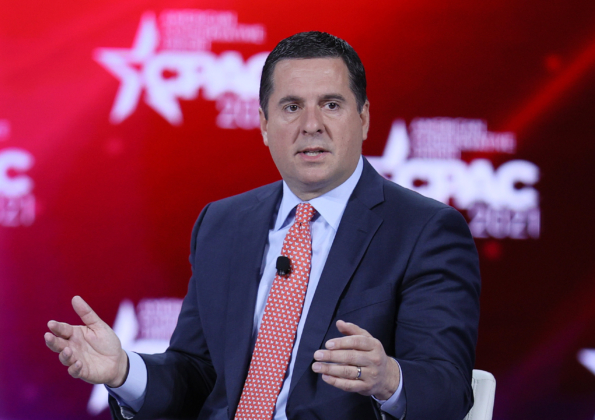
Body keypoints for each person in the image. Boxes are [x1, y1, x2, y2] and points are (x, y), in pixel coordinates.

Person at [44, 31, 480, 420]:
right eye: (292, 107)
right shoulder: (222, 223)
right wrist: (124, 370)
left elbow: (447, 391)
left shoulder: (425, 231)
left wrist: (389, 378)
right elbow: (197, 375)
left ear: (363, 118)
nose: (312, 126)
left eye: (331, 104)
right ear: (265, 125)